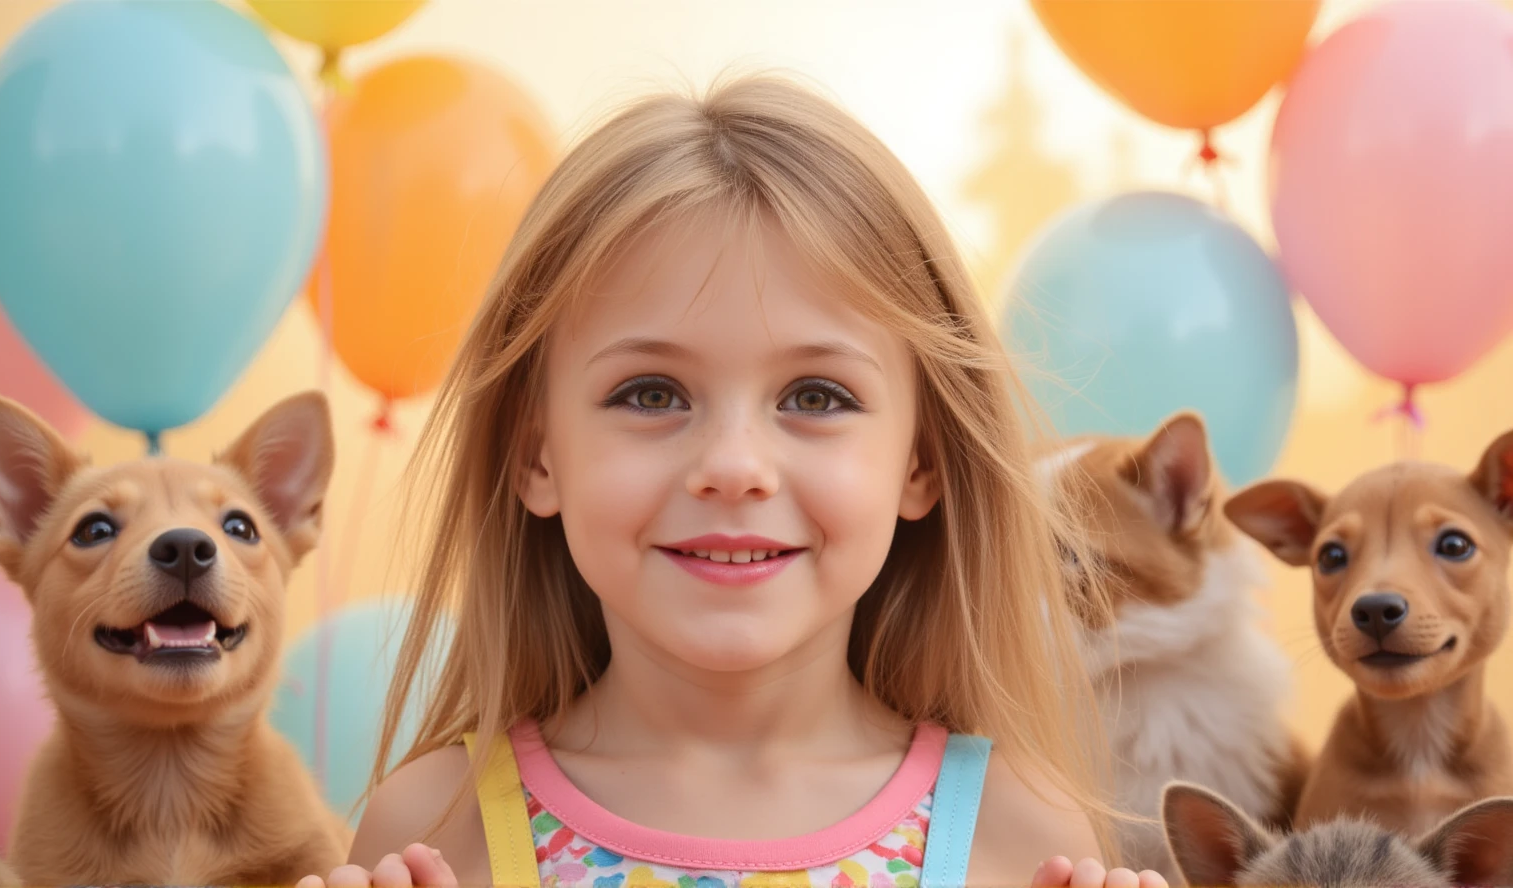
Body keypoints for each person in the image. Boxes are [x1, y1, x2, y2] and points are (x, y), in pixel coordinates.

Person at [298, 74, 1166, 888]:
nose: (734, 468)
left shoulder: (1014, 834)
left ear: (921, 462)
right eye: (651, 393)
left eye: (816, 396)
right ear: (537, 458)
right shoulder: (436, 833)